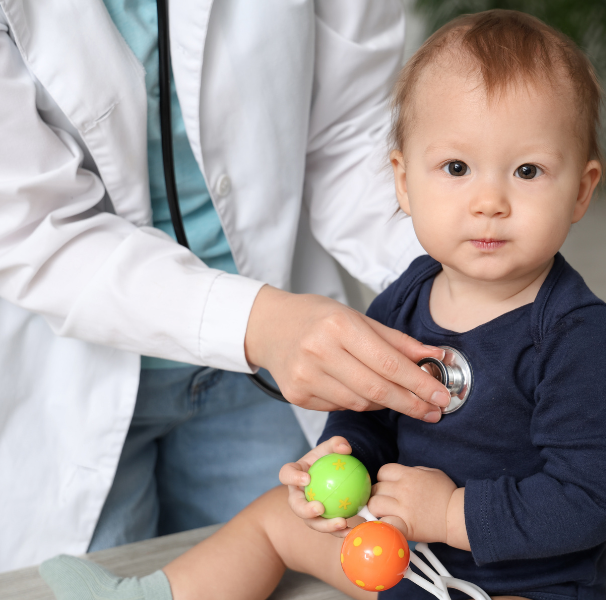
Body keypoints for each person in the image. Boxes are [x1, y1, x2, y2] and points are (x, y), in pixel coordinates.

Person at [39, 9, 606, 600]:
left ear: (582, 189)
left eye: (527, 171)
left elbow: (591, 499)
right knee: (276, 518)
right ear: (402, 182)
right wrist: (342, 456)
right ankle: (150, 595)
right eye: (456, 167)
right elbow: (367, 412)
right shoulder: (406, 295)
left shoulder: (576, 337)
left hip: (519, 583)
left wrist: (452, 514)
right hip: (399, 556)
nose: (489, 200)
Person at [0, 1, 453, 573]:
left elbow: (352, 133)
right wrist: (260, 325)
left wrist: (467, 281)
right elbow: (35, 227)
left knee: (301, 554)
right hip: (69, 364)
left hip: (274, 360)